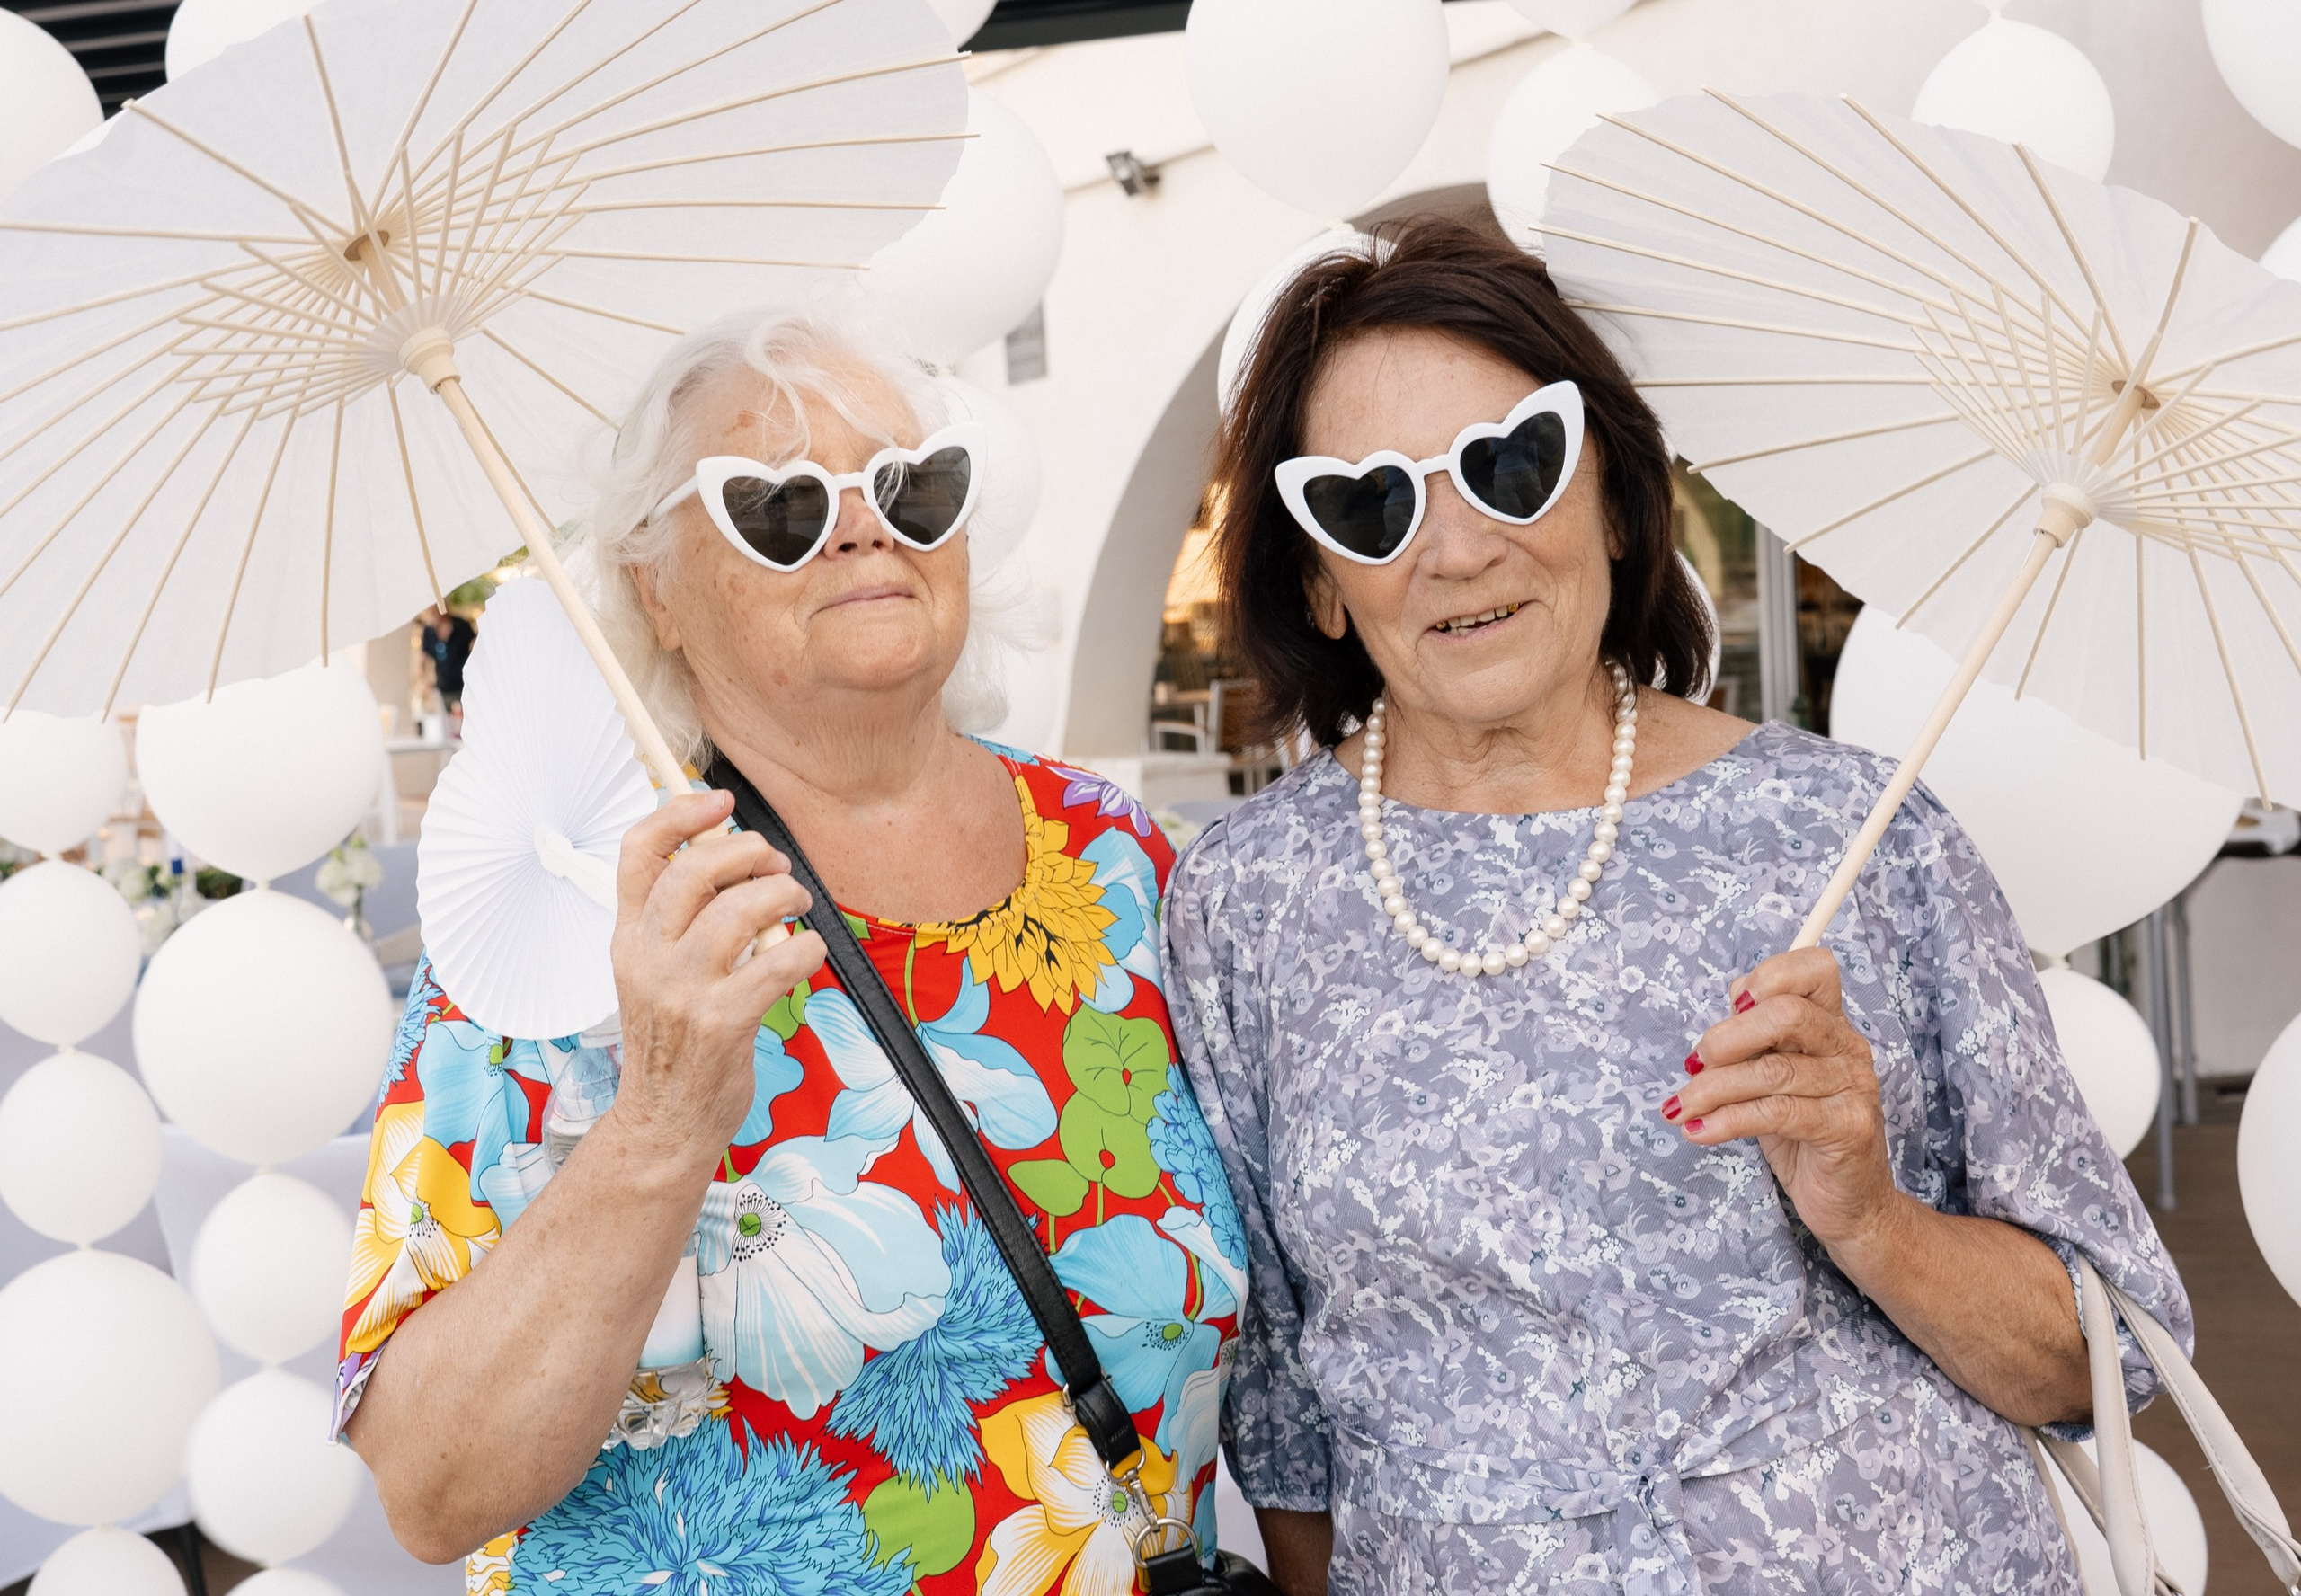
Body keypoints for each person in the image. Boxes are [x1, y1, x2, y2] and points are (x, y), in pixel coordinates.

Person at [1160, 218, 2190, 1596]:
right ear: (1319, 585)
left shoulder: (1851, 837)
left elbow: (2103, 1358)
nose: (1456, 549)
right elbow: (1286, 1424)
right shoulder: (1248, 901)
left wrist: (1871, 1214)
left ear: (1618, 503)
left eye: (1508, 465)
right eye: (1372, 506)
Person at [338, 309, 1247, 1595]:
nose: (865, 527)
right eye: (779, 503)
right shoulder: (586, 909)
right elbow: (431, 1487)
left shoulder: (1119, 859)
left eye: (909, 488)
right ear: (653, 584)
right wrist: (657, 1123)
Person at [416, 605, 476, 713]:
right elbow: (423, 660)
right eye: (429, 611)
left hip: (463, 688)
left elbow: (475, 647)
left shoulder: (461, 626)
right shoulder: (429, 632)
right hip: (442, 690)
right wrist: (425, 683)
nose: (432, 614)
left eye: (434, 610)